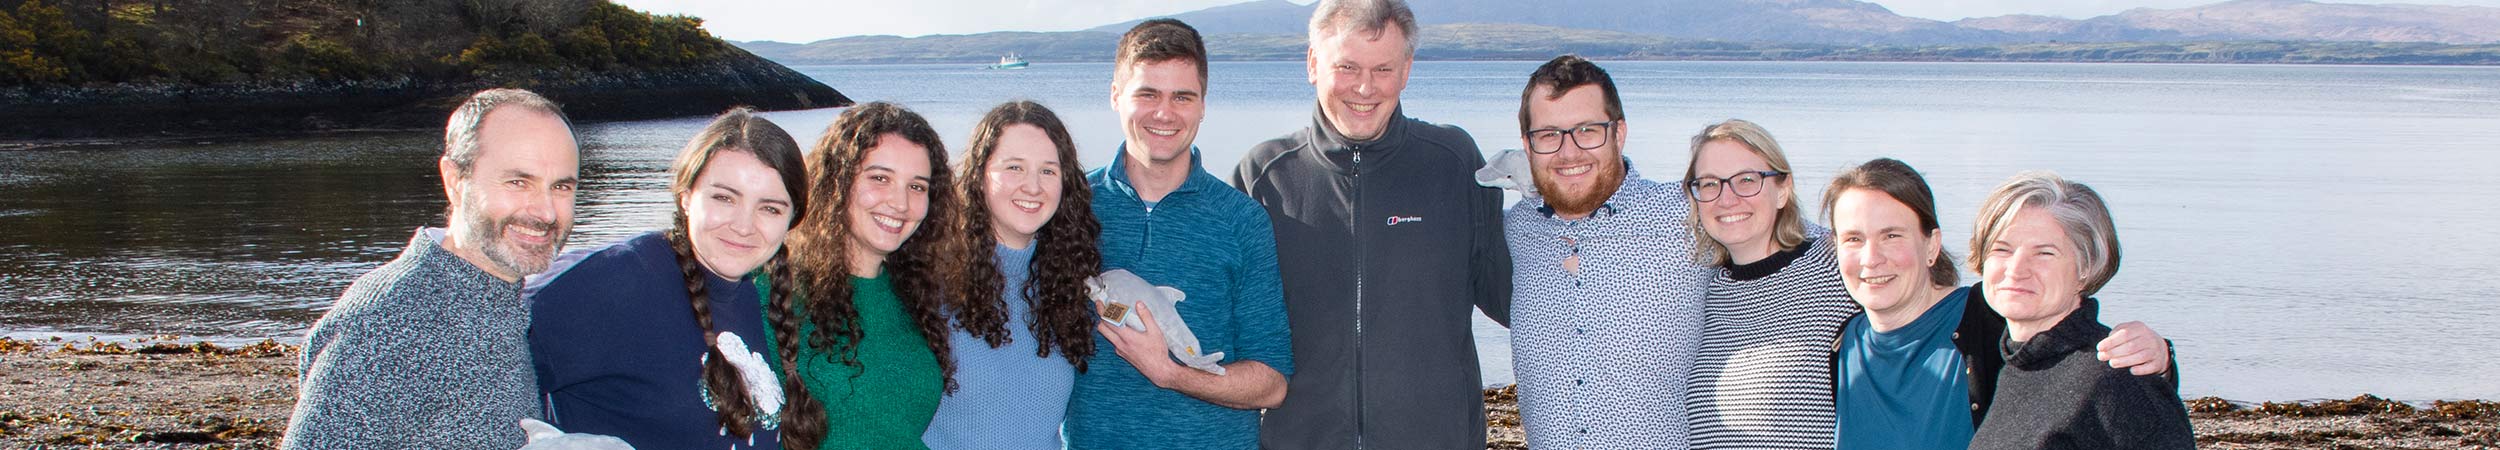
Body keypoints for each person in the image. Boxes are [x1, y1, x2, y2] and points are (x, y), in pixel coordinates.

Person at [1231, 0, 1511, 447]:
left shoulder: (1453, 162)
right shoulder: (1265, 176)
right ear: (1313, 64)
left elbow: (1516, 297)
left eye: (1383, 69)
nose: (1364, 87)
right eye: (1346, 66)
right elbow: (1224, 323)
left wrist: (1564, 203)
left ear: (1406, 70)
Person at [281, 88, 577, 450]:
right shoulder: (391, 319)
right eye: (518, 182)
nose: (546, 212)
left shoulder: (494, 298)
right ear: (454, 181)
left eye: (561, 187)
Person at [1822, 159, 2177, 450]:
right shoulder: (1844, 343)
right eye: (1853, 238)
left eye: (1892, 235)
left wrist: (2158, 360)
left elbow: (2096, 384)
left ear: (1932, 246)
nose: (1871, 258)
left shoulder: (1987, 321)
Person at [1066, 18, 1295, 450]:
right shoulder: (1071, 206)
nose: (1164, 113)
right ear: (1115, 95)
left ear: (1203, 105)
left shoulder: (1241, 220)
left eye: (1182, 97)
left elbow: (1271, 383)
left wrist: (1172, 373)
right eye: (1147, 94)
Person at [525, 107, 802, 450]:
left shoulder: (758, 296)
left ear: (791, 219)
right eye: (724, 198)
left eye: (770, 208)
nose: (744, 226)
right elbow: (475, 376)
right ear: (686, 197)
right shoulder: (610, 285)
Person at [1503, 55, 1708, 449]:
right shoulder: (1518, 227)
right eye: (1549, 135)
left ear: (1620, 133)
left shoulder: (1689, 214)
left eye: (1587, 130)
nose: (1569, 152)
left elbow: (1795, 245)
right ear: (1527, 146)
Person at [772, 101, 963, 450]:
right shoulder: (775, 289)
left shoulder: (913, 294)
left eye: (917, 187)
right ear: (837, 181)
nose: (901, 203)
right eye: (880, 178)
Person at [1965, 172, 2195, 449]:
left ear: (2087, 266)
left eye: (2044, 253)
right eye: (2002, 250)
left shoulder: (2114, 377)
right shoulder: (2017, 365)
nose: (2016, 269)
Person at [921, 100, 1102, 450]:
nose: (1033, 187)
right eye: (1014, 167)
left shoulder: (1067, 287)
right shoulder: (930, 281)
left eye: (1048, 171)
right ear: (980, 174)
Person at [1677, 119, 1856, 450]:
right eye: (1710, 184)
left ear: (1782, 190)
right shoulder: (1711, 290)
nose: (1727, 199)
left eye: (1747, 180)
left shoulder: (1835, 265)